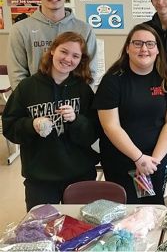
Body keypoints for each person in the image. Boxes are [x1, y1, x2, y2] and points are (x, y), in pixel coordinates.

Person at [2, 31, 99, 211]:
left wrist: (76, 120)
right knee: (42, 230)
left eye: (75, 56)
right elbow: (9, 127)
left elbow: (93, 134)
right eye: (64, 51)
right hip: (40, 177)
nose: (68, 59)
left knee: (81, 229)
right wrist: (31, 125)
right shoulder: (27, 87)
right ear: (53, 50)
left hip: (79, 174)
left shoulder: (83, 90)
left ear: (81, 60)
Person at [92, 24, 167, 204]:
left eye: (150, 44)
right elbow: (111, 126)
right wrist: (139, 159)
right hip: (121, 160)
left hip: (156, 160)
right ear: (127, 48)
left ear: (157, 49)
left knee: (153, 209)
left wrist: (152, 161)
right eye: (137, 43)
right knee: (123, 212)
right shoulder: (112, 81)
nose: (144, 49)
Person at [7, 0, 98, 90]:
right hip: (35, 102)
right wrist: (29, 102)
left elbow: (90, 72)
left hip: (73, 103)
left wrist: (80, 101)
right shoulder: (20, 30)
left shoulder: (85, 30)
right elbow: (17, 74)